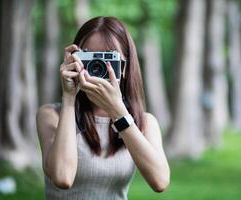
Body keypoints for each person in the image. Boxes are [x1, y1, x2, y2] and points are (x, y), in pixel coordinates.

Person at [36, 16, 170, 200]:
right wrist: (68, 99)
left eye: (108, 58)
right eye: (89, 56)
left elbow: (160, 181)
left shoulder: (145, 122)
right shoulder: (51, 115)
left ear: (124, 67)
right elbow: (62, 177)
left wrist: (118, 113)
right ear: (74, 59)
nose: (97, 67)